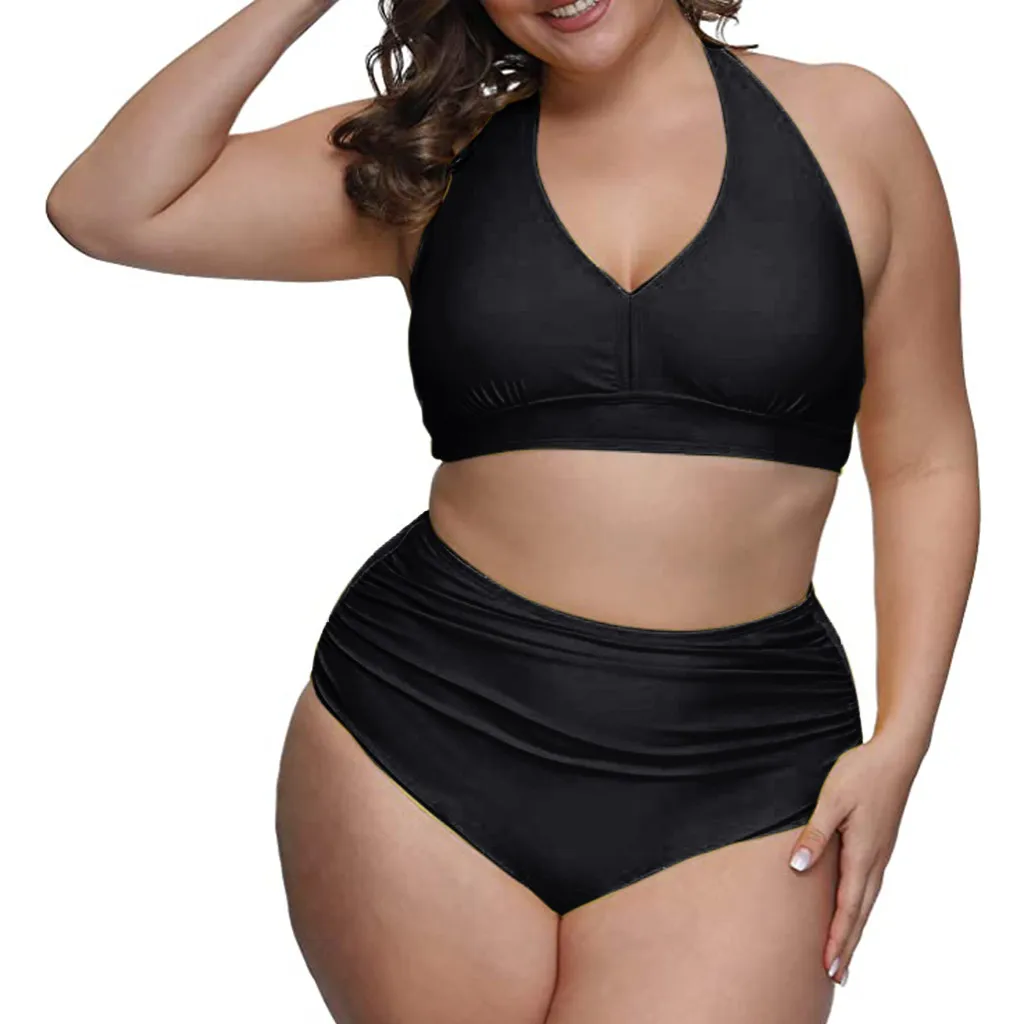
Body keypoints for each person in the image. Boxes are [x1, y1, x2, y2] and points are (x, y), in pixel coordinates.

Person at [45, 0, 979, 1021]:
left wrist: (903, 739)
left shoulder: (850, 127)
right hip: (422, 734)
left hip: (745, 763)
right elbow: (109, 207)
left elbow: (924, 458)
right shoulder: (433, 156)